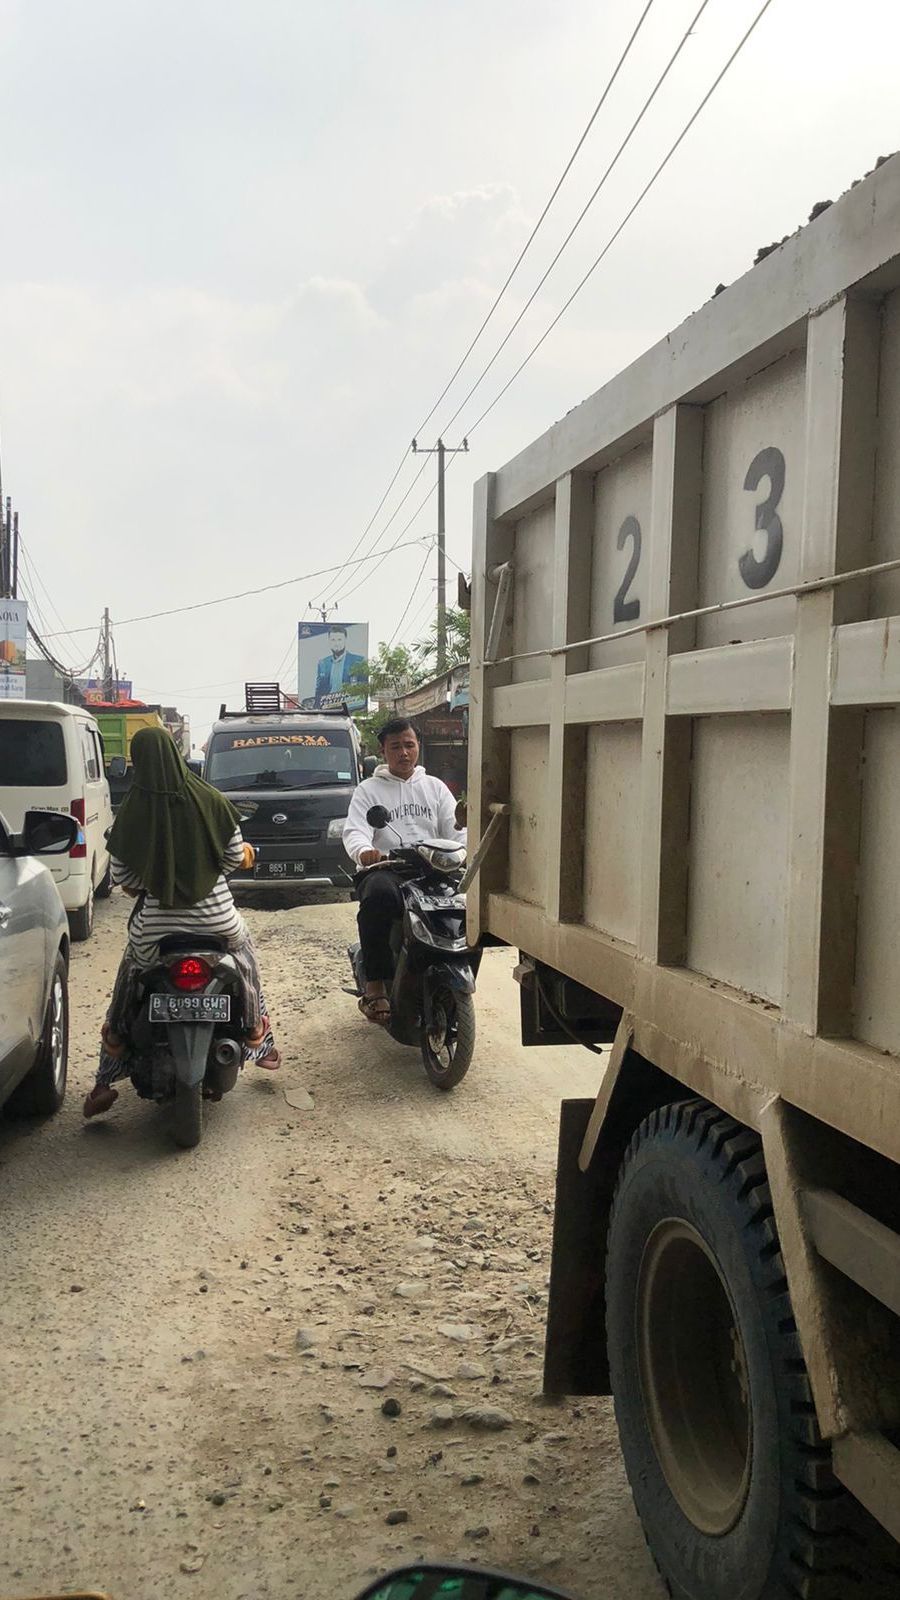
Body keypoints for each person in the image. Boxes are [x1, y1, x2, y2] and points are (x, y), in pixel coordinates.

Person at [83, 726, 279, 1118]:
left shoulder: (133, 812)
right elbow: (231, 857)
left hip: (157, 926)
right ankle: (257, 1029)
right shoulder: (211, 800)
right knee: (245, 958)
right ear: (176, 756)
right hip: (217, 919)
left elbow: (124, 877)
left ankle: (110, 1064)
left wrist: (156, 883)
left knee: (129, 974)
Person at [342, 718, 461, 1025]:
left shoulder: (435, 788)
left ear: (418, 747)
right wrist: (364, 851)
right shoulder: (368, 790)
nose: (404, 753)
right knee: (377, 897)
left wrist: (465, 850)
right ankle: (375, 985)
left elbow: (457, 829)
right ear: (383, 751)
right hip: (387, 868)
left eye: (410, 745)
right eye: (396, 746)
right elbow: (355, 831)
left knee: (462, 903)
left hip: (432, 869)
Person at [314, 624, 366, 707]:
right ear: (329, 641)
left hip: (351, 709)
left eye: (339, 639)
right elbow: (319, 692)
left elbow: (364, 689)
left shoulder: (358, 661)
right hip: (328, 710)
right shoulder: (323, 663)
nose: (336, 643)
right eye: (333, 640)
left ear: (345, 640)